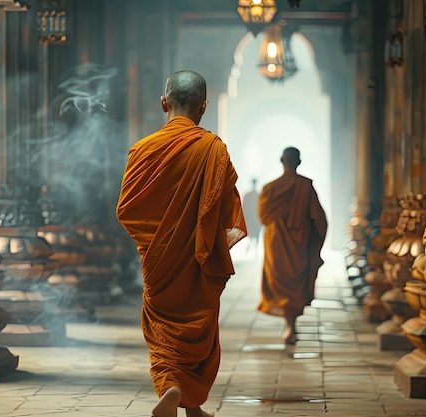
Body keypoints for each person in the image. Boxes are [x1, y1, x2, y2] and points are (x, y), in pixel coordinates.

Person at [116, 70, 247, 417]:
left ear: (163, 104)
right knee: (200, 330)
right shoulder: (213, 149)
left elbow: (127, 210)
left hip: (159, 263)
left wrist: (154, 241)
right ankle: (187, 398)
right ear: (203, 107)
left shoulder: (142, 150)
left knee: (161, 332)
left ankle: (176, 393)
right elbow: (226, 209)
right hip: (199, 261)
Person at [258, 147, 327, 344]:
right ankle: (291, 327)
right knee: (295, 283)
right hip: (299, 245)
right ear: (299, 162)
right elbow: (319, 220)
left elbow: (263, 217)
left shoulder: (269, 189)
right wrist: (316, 243)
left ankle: (289, 327)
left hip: (276, 245)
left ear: (282, 160)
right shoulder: (306, 187)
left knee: (281, 282)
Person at [241, 178, 262, 256]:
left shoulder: (249, 195)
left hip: (253, 217)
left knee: (254, 233)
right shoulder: (258, 195)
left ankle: (252, 248)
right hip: (254, 217)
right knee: (255, 233)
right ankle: (251, 247)